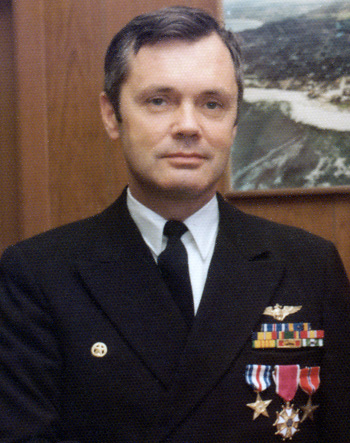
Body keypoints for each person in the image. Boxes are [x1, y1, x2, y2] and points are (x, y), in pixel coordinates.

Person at [0, 6, 349, 443]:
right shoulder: (36, 275)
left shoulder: (309, 265)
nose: (188, 126)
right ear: (112, 115)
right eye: (159, 101)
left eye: (212, 104)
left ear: (236, 122)